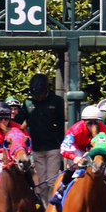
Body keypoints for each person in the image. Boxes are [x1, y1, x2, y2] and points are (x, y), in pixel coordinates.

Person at [24, 73, 65, 202]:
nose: (38, 97)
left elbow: (61, 123)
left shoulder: (57, 101)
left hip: (53, 147)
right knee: (41, 184)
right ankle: (45, 209)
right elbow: (19, 121)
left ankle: (53, 209)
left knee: (52, 181)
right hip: (37, 148)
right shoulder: (28, 103)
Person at [56, 105, 106, 192]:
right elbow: (64, 148)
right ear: (84, 122)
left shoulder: (105, 131)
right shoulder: (75, 130)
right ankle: (60, 191)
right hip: (78, 150)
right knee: (73, 167)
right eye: (90, 123)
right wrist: (74, 158)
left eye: (96, 123)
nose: (93, 126)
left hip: (96, 152)